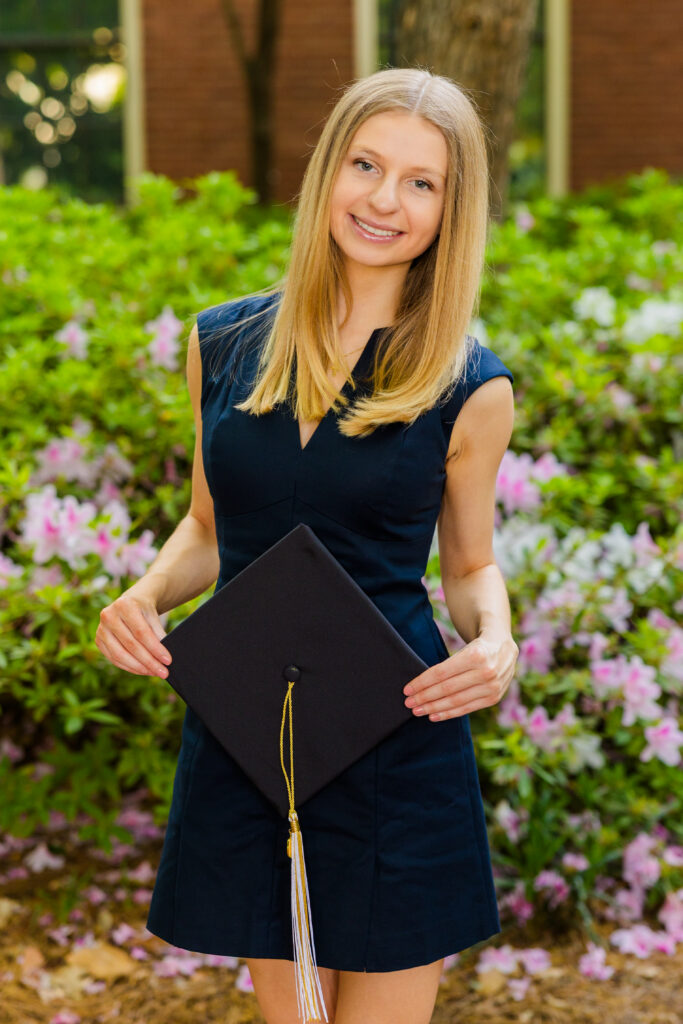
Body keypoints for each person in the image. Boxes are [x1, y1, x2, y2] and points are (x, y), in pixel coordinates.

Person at [96, 67, 519, 1024]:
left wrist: (494, 640)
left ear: (453, 210)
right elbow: (207, 527)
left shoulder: (468, 385)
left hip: (397, 744)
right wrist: (146, 595)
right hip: (255, 736)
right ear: (328, 169)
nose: (383, 199)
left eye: (422, 181)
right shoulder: (226, 342)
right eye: (366, 164)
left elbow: (467, 567)